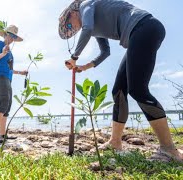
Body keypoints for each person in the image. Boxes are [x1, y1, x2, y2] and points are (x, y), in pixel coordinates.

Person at [59, 0, 182, 161]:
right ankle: (115, 142)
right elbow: (105, 52)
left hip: (145, 27)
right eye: (71, 31)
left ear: (72, 13)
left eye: (69, 27)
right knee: (118, 90)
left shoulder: (86, 4)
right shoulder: (93, 27)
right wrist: (83, 67)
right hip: (137, 36)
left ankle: (169, 150)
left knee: (138, 90)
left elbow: (87, 28)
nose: (73, 30)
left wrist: (74, 57)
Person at [0, 25, 28, 143]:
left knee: (8, 106)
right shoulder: (0, 44)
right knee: (3, 104)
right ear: (5, 34)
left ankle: (3, 134)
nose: (11, 39)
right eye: (10, 36)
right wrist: (2, 53)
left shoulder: (10, 53)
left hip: (7, 79)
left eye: (14, 37)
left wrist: (20, 72)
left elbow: (10, 68)